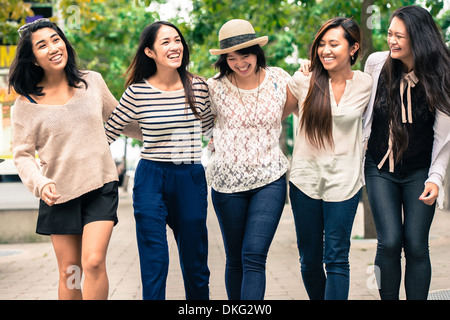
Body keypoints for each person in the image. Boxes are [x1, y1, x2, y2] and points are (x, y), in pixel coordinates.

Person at [9, 18, 141, 300]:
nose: (53, 47)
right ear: (32, 59)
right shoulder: (25, 104)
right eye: (42, 45)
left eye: (56, 40)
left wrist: (165, 126)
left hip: (100, 185)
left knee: (93, 261)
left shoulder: (91, 82)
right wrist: (40, 183)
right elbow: (22, 155)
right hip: (58, 193)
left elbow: (121, 121)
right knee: (71, 272)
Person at [104, 21, 214, 300]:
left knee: (195, 261)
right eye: (165, 41)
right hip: (151, 177)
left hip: (189, 176)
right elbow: (107, 133)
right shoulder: (137, 92)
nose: (175, 46)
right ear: (150, 52)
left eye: (177, 40)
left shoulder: (199, 87)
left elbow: (213, 129)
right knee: (154, 261)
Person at [363, 6, 450, 300]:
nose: (392, 41)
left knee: (415, 244)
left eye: (400, 36)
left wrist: (435, 179)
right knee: (388, 242)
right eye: (390, 34)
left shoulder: (441, 76)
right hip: (379, 167)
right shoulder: (376, 64)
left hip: (419, 171)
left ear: (419, 38)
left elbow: (443, 137)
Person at [283, 17, 372, 300]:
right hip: (305, 181)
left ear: (354, 48)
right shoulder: (302, 80)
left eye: (334, 44)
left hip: (345, 183)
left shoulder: (365, 83)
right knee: (309, 261)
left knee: (336, 259)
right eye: (321, 44)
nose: (326, 50)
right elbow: (272, 117)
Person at [207, 19, 291, 300]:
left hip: (270, 178)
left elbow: (296, 103)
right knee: (235, 258)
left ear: (257, 52)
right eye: (231, 58)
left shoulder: (279, 78)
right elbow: (199, 120)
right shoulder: (214, 88)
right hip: (226, 182)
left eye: (245, 55)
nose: (240, 63)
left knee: (254, 254)